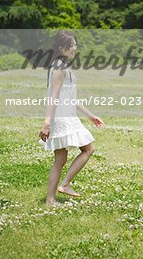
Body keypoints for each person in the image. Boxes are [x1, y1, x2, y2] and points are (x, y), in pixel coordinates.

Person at [39, 30, 105, 206]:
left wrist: (90, 116)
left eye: (75, 44)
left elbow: (70, 98)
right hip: (62, 118)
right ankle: (65, 185)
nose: (75, 48)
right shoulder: (59, 67)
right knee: (88, 149)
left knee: (60, 158)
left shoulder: (61, 65)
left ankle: (51, 199)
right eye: (72, 45)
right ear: (61, 47)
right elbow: (53, 96)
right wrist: (47, 122)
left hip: (63, 116)